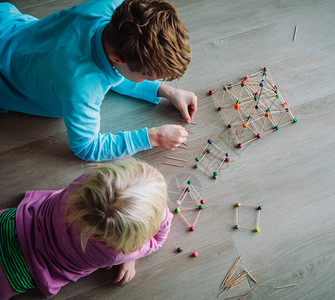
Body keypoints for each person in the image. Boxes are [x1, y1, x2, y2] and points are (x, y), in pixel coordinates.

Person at [0, 0, 197, 161]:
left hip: (10, 25)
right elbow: (87, 147)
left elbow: (118, 71)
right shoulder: (81, 88)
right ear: (117, 59)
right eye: (147, 76)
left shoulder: (115, 9)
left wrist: (165, 90)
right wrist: (154, 137)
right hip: (7, 79)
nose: (150, 80)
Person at [0, 157, 172, 299]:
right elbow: (156, 242)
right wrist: (165, 219)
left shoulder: (84, 184)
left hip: (13, 223)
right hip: (22, 271)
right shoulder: (115, 253)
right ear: (131, 241)